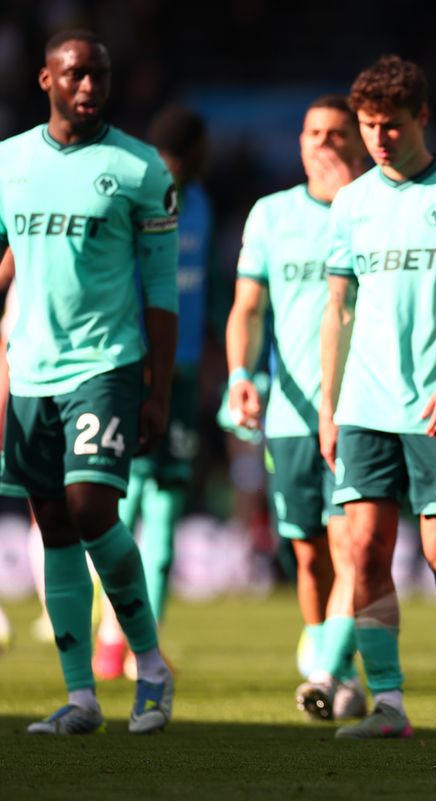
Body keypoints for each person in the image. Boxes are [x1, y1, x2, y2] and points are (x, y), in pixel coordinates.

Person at [320, 55, 436, 739]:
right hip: (364, 405)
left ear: (421, 117)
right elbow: (336, 310)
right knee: (365, 550)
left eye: (391, 125)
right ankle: (389, 702)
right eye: (368, 126)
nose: (379, 138)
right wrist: (327, 406)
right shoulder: (351, 203)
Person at [0, 30, 178, 734]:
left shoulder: (139, 167)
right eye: (75, 74)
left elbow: (160, 286)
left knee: (91, 506)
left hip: (105, 363)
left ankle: (151, 666)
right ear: (45, 79)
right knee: (53, 527)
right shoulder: (8, 162)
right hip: (31, 368)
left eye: (99, 75)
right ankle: (80, 696)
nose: (89, 86)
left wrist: (157, 385)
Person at [227, 94, 368, 721]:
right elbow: (249, 308)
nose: (322, 142)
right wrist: (241, 373)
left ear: (357, 144)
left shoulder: (373, 211)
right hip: (289, 413)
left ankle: (326, 669)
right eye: (313, 131)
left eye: (336, 133)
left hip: (361, 408)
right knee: (307, 555)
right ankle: (335, 669)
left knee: (350, 547)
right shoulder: (269, 215)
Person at [93, 105, 212, 680]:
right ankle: (112, 637)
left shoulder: (204, 206)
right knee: (128, 503)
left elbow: (200, 293)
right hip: (135, 368)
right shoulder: (139, 196)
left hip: (182, 375)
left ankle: (141, 645)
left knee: (162, 512)